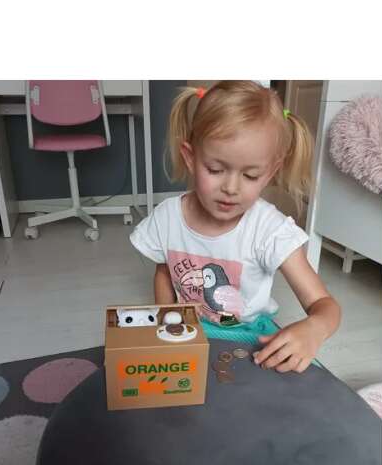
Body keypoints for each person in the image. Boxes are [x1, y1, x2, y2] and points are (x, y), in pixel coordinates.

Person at [129, 80, 341, 373]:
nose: (231, 188)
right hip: (190, 330)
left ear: (270, 172)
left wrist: (314, 328)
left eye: (250, 175)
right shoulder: (166, 218)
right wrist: (166, 320)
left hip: (249, 337)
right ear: (191, 158)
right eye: (215, 169)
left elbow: (324, 304)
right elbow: (164, 271)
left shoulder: (270, 230)